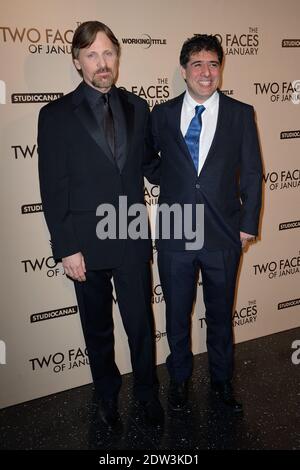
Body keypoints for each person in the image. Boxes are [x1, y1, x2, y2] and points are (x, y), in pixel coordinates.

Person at [38, 21, 163, 427]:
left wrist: (194, 163)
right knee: (98, 330)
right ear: (77, 62)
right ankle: (106, 396)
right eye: (92, 54)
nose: (102, 62)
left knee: (141, 324)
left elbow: (150, 165)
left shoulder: (138, 107)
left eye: (108, 53)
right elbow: (53, 187)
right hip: (85, 246)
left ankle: (147, 395)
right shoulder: (55, 115)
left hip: (130, 235)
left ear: (117, 58)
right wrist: (66, 247)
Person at [149, 34, 263, 413]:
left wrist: (248, 223)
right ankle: (179, 381)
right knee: (177, 314)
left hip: (223, 234)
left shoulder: (240, 113)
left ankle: (222, 381)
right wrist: (173, 179)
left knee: (219, 315)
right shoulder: (161, 115)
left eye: (213, 64)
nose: (206, 71)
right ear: (183, 70)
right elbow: (149, 162)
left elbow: (251, 172)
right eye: (197, 64)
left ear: (220, 69)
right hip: (175, 232)